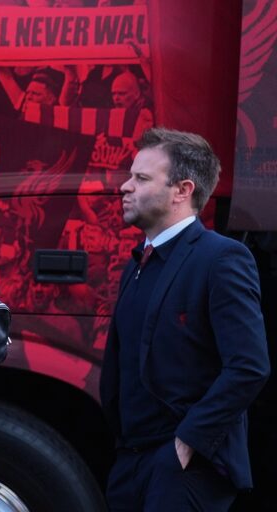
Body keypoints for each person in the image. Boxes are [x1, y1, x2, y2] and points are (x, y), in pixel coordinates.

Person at [100, 127, 270, 511]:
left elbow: (249, 366)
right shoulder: (136, 264)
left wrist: (186, 444)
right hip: (130, 463)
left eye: (142, 178)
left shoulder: (221, 259)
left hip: (183, 467)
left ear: (182, 190)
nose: (125, 186)